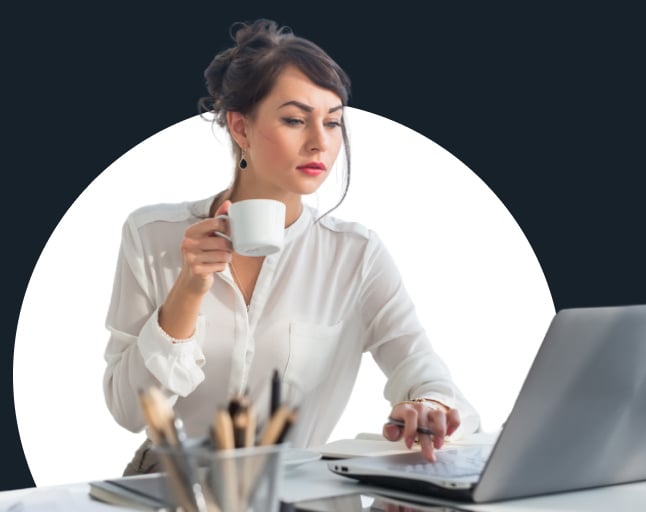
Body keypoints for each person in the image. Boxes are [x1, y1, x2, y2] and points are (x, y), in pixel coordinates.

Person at [103, 19, 480, 476]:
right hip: (170, 489)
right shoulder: (153, 235)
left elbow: (424, 369)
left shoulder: (355, 255)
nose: (320, 141)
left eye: (334, 122)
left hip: (295, 490)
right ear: (240, 128)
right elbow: (128, 411)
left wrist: (428, 405)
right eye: (295, 120)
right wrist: (189, 289)